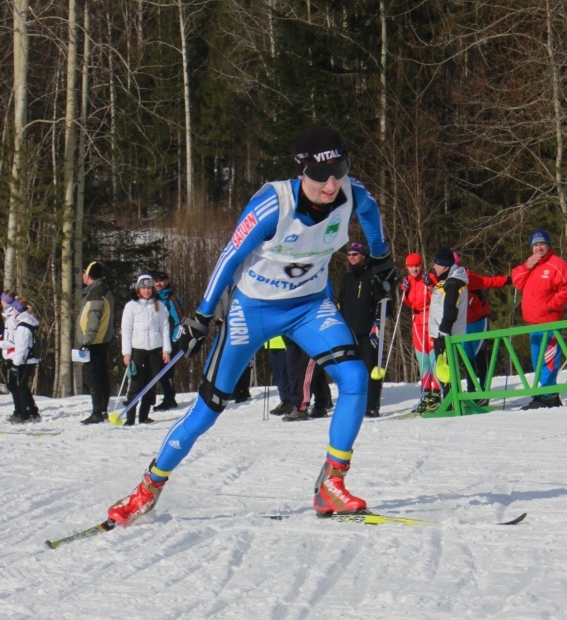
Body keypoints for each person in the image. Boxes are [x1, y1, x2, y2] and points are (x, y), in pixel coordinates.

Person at [107, 125, 395, 526]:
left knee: (355, 377)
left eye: (339, 171)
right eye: (319, 175)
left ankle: (331, 484)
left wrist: (381, 260)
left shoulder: (353, 192)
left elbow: (370, 214)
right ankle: (147, 488)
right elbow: (229, 256)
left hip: (310, 306)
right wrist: (202, 315)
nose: (331, 185)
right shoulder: (273, 204)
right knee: (207, 410)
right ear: (301, 170)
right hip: (252, 310)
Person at [512, 229, 567, 410]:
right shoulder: (531, 265)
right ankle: (547, 392)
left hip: (550, 322)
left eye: (542, 244)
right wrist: (527, 266)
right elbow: (516, 280)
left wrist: (551, 305)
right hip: (533, 324)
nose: (539, 248)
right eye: (535, 245)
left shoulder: (557, 264)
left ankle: (548, 396)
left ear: (548, 246)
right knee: (537, 361)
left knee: (548, 360)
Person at [337, 241, 390, 417]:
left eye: (355, 254)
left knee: (371, 368)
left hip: (368, 331)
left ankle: (372, 405)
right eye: (349, 254)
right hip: (349, 332)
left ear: (363, 255)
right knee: (351, 370)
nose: (352, 257)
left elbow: (382, 301)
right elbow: (341, 303)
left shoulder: (372, 275)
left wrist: (377, 322)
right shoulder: (346, 278)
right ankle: (354, 403)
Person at [455, 252, 511, 402]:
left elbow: (488, 282)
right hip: (463, 325)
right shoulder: (447, 283)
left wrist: (507, 280)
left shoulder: (469, 278)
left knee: (479, 356)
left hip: (478, 321)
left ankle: (484, 392)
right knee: (468, 358)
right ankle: (472, 392)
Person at [121, 274, 172, 426]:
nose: (147, 291)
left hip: (155, 349)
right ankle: (130, 417)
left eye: (149, 288)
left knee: (151, 382)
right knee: (136, 382)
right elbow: (126, 329)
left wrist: (166, 350)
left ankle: (144, 415)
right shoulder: (131, 306)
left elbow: (165, 328)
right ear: (138, 289)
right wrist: (126, 353)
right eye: (143, 288)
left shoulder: (159, 305)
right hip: (138, 349)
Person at [400, 253, 440, 413]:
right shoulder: (408, 280)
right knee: (423, 361)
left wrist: (430, 286)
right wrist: (404, 292)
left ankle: (436, 395)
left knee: (433, 360)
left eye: (416, 266)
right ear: (407, 267)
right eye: (411, 266)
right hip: (417, 322)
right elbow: (409, 302)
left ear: (421, 265)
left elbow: (436, 296)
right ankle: (426, 395)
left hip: (431, 319)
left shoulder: (429, 277)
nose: (414, 269)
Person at [77, 261, 115, 424]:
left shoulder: (96, 293)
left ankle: (97, 411)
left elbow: (93, 319)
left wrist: (86, 341)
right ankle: (102, 410)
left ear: (88, 275)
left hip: (94, 342)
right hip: (101, 340)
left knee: (93, 377)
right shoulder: (101, 289)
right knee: (101, 375)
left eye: (84, 272)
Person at [429, 248, 469, 394]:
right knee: (445, 370)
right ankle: (451, 399)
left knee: (445, 371)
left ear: (444, 266)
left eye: (436, 264)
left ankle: (451, 400)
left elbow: (451, 309)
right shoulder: (449, 280)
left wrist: (444, 330)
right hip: (443, 333)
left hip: (446, 335)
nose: (434, 267)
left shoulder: (452, 283)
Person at [3, 296, 41, 423]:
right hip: (29, 358)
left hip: (25, 359)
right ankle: (32, 411)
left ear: (18, 309)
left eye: (14, 307)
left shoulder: (22, 326)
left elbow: (21, 348)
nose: (12, 310)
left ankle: (26, 413)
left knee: (21, 386)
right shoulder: (29, 320)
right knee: (22, 385)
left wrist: (15, 364)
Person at [152, 271, 185, 411]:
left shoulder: (172, 298)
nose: (159, 283)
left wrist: (175, 339)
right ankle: (162, 396)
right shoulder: (152, 298)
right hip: (156, 340)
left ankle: (170, 398)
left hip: (170, 339)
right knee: (158, 370)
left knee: (166, 370)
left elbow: (180, 321)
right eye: (156, 281)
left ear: (167, 281)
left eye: (161, 280)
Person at [264, 336, 293, 415]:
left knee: (284, 373)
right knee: (277, 374)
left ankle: (290, 400)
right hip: (272, 342)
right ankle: (284, 400)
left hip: (284, 342)